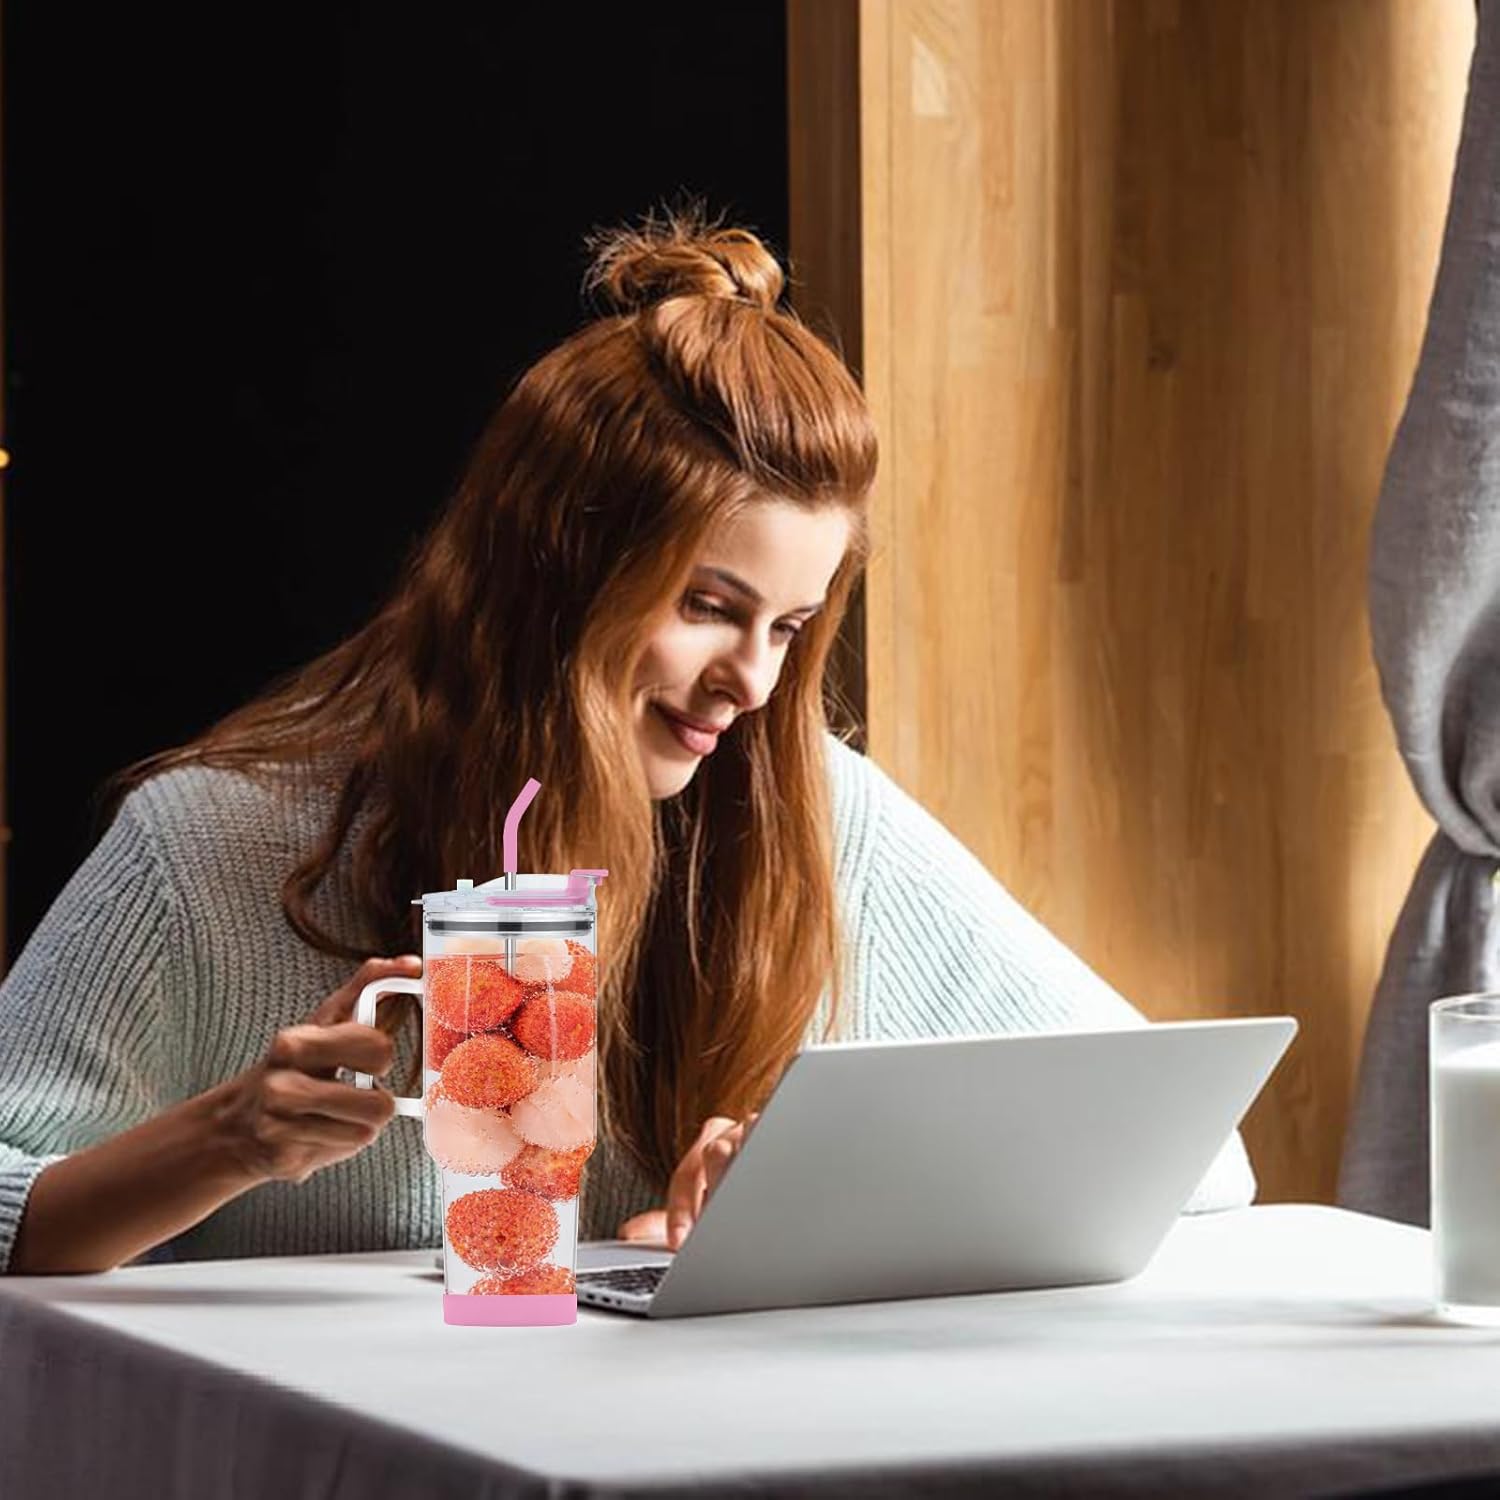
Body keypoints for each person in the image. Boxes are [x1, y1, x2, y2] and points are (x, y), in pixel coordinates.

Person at [0, 207, 1254, 1275]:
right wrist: (233, 1139)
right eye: (708, 607)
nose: (751, 683)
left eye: (792, 626)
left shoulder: (809, 808)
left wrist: (818, 1180)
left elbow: (1198, 1153)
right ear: (552, 577)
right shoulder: (210, 845)